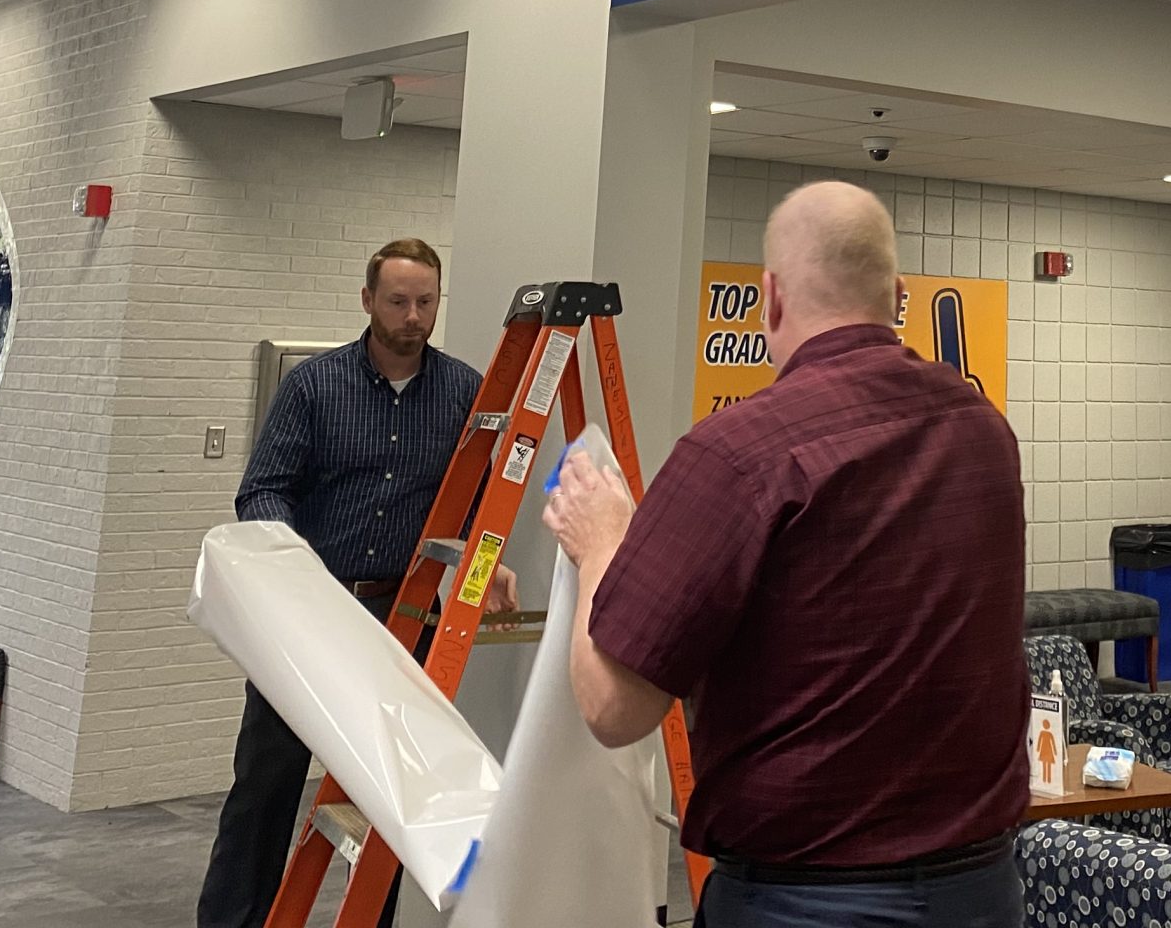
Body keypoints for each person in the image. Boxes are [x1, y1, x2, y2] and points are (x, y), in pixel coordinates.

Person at [545, 180, 1028, 928]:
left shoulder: (739, 452)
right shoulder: (985, 432)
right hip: (982, 890)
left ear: (770, 298)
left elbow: (614, 707)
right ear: (897, 295)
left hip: (804, 902)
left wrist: (602, 541)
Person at [197, 236, 512, 928]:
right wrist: (291, 577)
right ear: (368, 300)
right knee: (266, 787)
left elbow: (479, 505)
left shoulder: (464, 391)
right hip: (308, 621)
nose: (412, 316)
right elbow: (262, 493)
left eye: (426, 302)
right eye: (398, 301)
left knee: (397, 794)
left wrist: (485, 565)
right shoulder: (313, 386)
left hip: (402, 620)